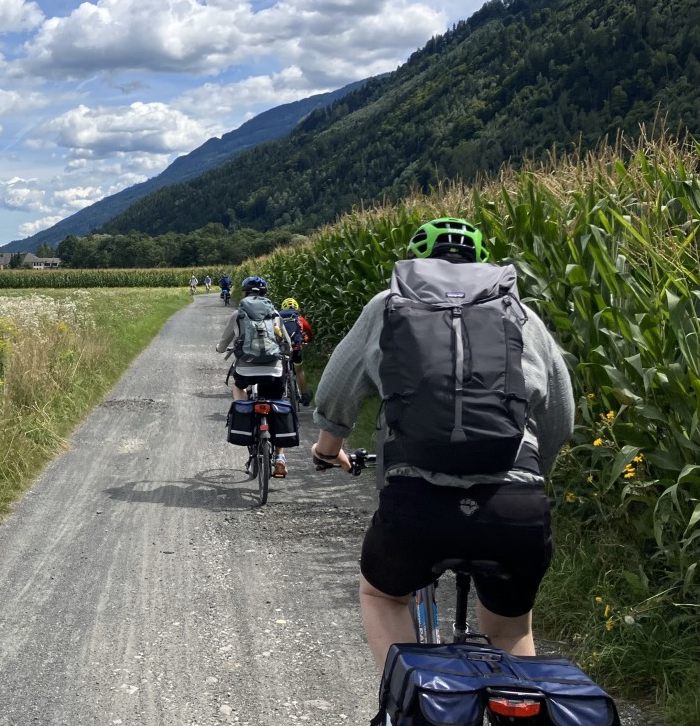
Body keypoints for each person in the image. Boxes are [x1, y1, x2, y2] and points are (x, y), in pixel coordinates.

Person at [309, 218, 574, 671]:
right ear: (481, 261)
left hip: (416, 506)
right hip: (514, 507)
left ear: (416, 261)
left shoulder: (389, 305)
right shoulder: (520, 314)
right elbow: (561, 415)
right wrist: (531, 476)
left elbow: (338, 389)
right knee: (512, 630)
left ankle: (408, 706)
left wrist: (329, 448)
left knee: (382, 595)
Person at [217, 276, 294, 477]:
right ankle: (280, 458)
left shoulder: (238, 314)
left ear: (244, 293)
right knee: (276, 403)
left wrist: (220, 349)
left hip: (246, 368)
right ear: (265, 294)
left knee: (238, 386)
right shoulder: (275, 314)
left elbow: (224, 342)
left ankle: (246, 415)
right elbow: (286, 342)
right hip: (274, 370)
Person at [279, 298, 312, 403]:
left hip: (282, 348)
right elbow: (308, 330)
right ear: (297, 308)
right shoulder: (299, 318)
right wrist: (307, 339)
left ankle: (277, 395)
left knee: (279, 370)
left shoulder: (278, 317)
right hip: (296, 347)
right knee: (299, 370)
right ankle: (304, 395)